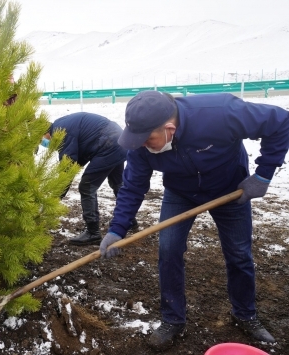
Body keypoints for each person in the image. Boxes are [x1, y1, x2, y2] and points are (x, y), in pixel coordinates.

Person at [101, 90, 289, 350]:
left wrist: (263, 175)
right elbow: (133, 187)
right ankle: (172, 319)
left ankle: (245, 314)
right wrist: (117, 229)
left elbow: (281, 122)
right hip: (180, 192)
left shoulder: (220, 112)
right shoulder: (140, 144)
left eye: (148, 139)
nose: (142, 144)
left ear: (169, 128)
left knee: (239, 254)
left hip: (230, 189)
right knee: (168, 250)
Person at [42, 112, 133, 245]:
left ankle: (93, 232)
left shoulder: (59, 132)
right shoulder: (61, 123)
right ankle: (129, 219)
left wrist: (55, 196)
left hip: (107, 143)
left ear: (45, 133)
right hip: (117, 139)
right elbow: (79, 157)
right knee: (117, 183)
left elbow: (68, 166)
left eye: (42, 140)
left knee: (87, 186)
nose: (45, 144)